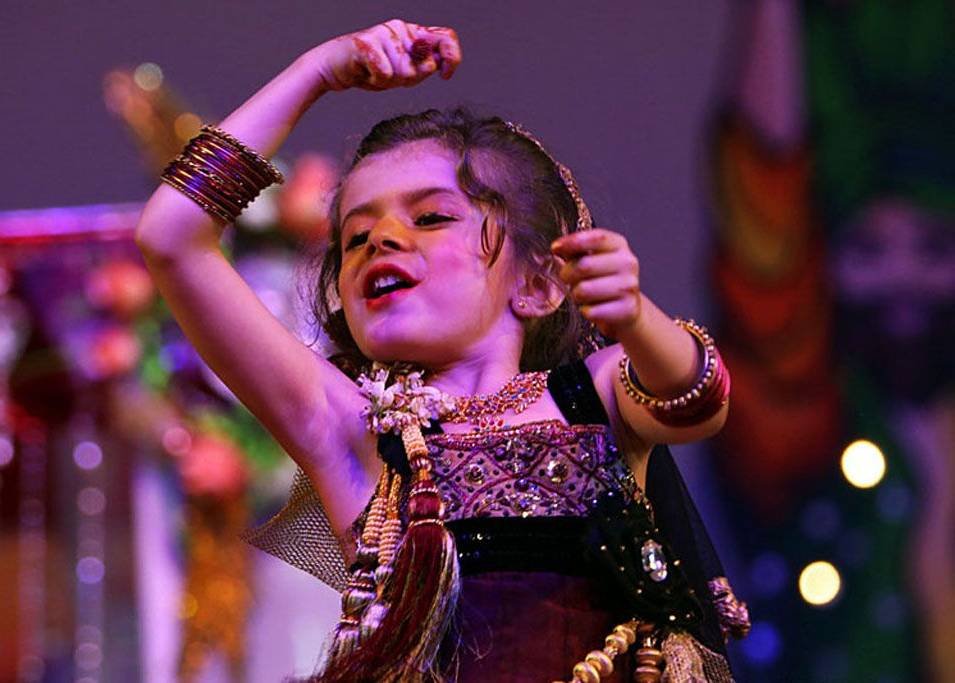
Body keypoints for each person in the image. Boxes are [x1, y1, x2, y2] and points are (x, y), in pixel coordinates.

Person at [135, 20, 745, 683]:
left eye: (430, 217)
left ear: (539, 283)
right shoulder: (352, 429)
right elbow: (172, 236)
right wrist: (317, 72)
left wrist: (637, 318)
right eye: (355, 236)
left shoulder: (592, 396)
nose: (382, 238)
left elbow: (696, 397)